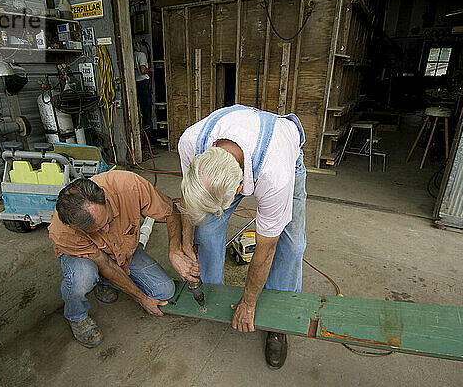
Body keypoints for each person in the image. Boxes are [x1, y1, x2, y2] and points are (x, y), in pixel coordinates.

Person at [173, 104, 306, 369]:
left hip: (281, 154)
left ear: (238, 189)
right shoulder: (190, 142)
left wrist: (248, 302)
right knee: (208, 229)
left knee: (291, 246)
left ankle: (277, 321)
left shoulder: (275, 174)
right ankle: (211, 294)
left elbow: (265, 250)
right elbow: (189, 200)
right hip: (238, 155)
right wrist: (186, 246)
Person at [48, 170, 182, 348]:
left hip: (122, 248)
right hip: (86, 257)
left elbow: (171, 211)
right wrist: (141, 298)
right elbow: (105, 264)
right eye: (96, 231)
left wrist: (176, 250)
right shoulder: (64, 232)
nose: (105, 231)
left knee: (164, 291)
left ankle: (104, 282)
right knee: (83, 278)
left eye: (107, 222)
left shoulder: (129, 186)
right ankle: (77, 316)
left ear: (105, 198)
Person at [134, 41, 154, 133]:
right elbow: (143, 70)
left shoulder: (132, 55)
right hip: (143, 84)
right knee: (147, 112)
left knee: (140, 111)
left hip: (136, 84)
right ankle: (149, 137)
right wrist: (151, 69)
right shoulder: (141, 55)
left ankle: (143, 137)